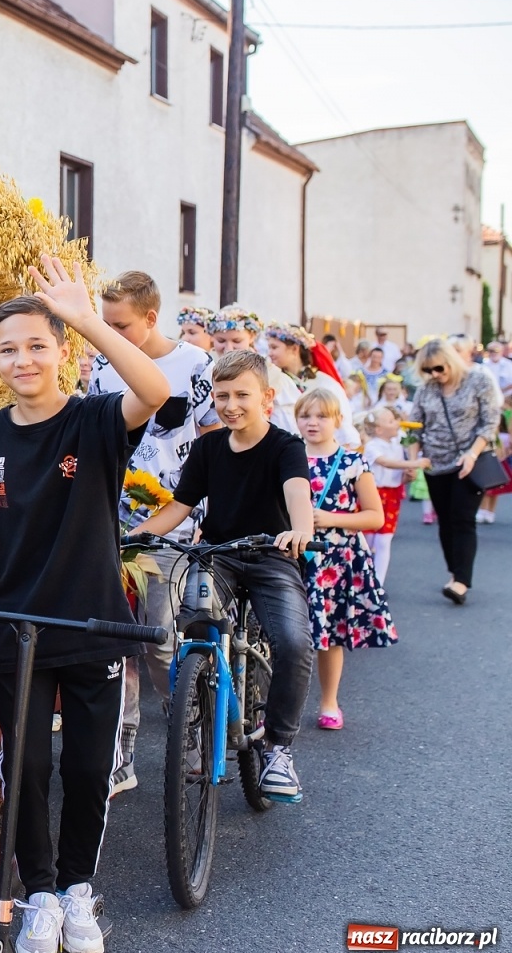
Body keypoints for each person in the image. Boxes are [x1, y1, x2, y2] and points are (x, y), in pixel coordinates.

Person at [0, 257, 168, 953]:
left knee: (90, 770)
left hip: (94, 625)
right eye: (8, 348)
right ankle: (39, 895)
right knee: (25, 769)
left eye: (37, 344)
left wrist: (89, 316)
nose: (23, 358)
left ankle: (79, 891)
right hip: (19, 633)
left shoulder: (93, 421)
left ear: (63, 352)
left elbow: (152, 388)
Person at [130, 349, 316, 804]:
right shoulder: (210, 447)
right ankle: (200, 710)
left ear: (267, 398)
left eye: (242, 395)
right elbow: (180, 506)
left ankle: (278, 749)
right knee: (191, 627)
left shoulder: (284, 446)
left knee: (294, 643)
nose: (230, 405)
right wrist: (133, 536)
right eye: (221, 395)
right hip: (217, 554)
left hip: (272, 556)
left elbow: (297, 490)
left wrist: (301, 529)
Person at [86, 272, 220, 798]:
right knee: (114, 640)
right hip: (112, 521)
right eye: (105, 324)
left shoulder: (196, 366)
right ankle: (122, 752)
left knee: (160, 643)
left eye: (120, 325)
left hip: (173, 522)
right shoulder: (103, 362)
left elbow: (214, 436)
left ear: (150, 317)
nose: (111, 333)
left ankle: (188, 728)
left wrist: (209, 507)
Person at [296, 388, 395, 731]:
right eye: (305, 415)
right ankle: (279, 704)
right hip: (294, 556)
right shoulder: (288, 457)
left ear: (338, 420)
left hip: (337, 559)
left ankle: (329, 701)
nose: (312, 422)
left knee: (331, 635)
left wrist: (331, 518)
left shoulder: (353, 462)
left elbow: (374, 517)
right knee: (284, 634)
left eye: (321, 416)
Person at [412, 338, 499, 603]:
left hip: (469, 460)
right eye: (427, 370)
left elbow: (490, 421)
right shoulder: (426, 389)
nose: (434, 375)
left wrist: (472, 454)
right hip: (436, 464)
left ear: (450, 360)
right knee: (445, 521)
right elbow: (414, 427)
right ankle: (454, 572)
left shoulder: (478, 380)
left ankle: (461, 581)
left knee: (462, 518)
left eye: (438, 368)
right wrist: (413, 461)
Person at [361, 405, 430, 582]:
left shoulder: (397, 443)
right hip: (374, 494)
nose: (397, 423)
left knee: (384, 540)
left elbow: (397, 472)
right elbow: (386, 463)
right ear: (378, 429)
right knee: (367, 540)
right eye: (391, 421)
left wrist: (408, 475)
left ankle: (378, 583)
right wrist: (413, 464)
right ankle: (362, 578)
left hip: (392, 494)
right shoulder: (372, 446)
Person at [265, 321, 359, 446]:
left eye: (274, 347)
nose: (269, 353)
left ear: (294, 349)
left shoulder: (324, 382)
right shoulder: (275, 381)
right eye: (269, 348)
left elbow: (342, 424)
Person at [210, 307, 302, 433]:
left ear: (252, 337)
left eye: (237, 340)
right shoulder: (205, 367)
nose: (229, 348)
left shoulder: (272, 375)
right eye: (221, 340)